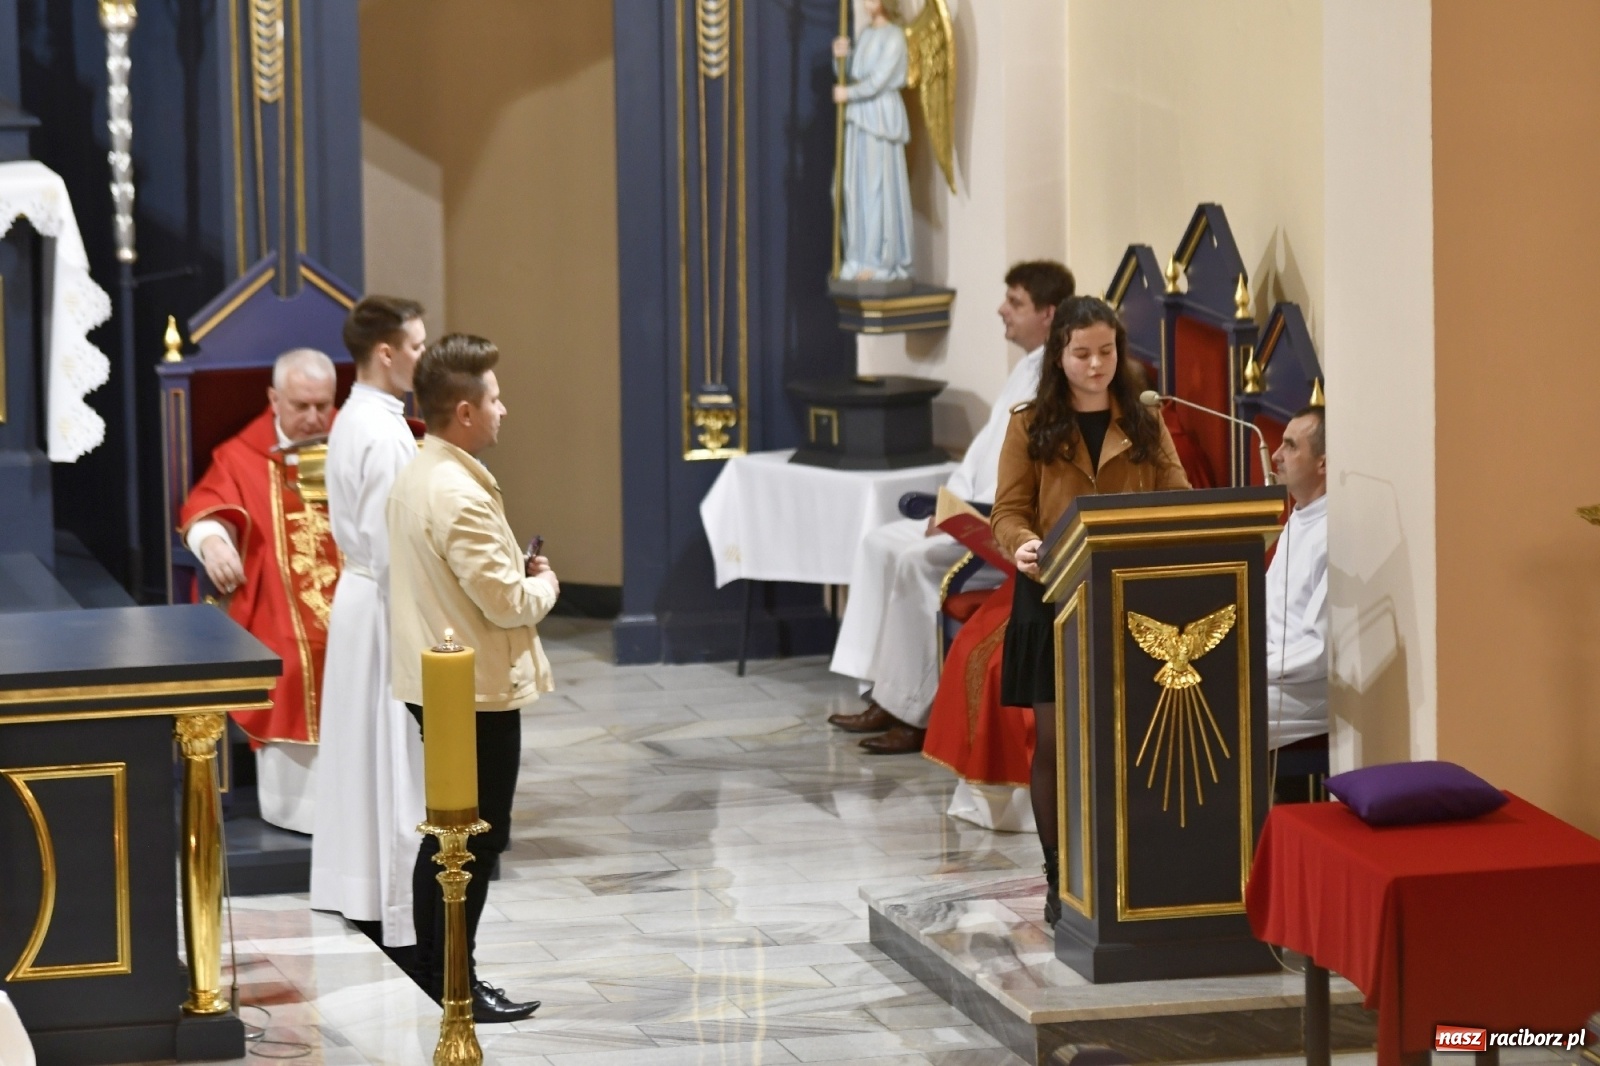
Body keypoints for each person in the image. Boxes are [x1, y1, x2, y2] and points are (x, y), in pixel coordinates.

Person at [991, 296, 1190, 925]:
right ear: (1061, 356)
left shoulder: (1144, 420)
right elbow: (1009, 511)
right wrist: (1023, 544)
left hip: (1129, 595)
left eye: (1107, 352)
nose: (1097, 365)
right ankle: (1058, 875)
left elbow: (1178, 497)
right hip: (1052, 592)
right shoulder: (1030, 424)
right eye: (1082, 353)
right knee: (1055, 740)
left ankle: (1128, 867)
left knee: (1125, 732)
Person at [829, 261, 1075, 754]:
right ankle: (881, 690)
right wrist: (947, 510)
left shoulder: (1052, 379)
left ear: (1048, 314)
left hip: (1000, 527)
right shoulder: (1023, 370)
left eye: (1016, 302)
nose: (1002, 310)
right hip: (971, 513)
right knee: (879, 542)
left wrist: (969, 518)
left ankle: (913, 712)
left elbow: (1021, 476)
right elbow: (984, 451)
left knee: (917, 564)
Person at [388, 333, 558, 1023]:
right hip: (474, 689)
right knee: (472, 843)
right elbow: (505, 602)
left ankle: (437, 972)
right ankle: (453, 979)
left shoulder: (424, 469)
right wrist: (545, 586)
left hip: (442, 678)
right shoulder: (455, 491)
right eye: (493, 397)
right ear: (463, 410)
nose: (502, 409)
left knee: (449, 835)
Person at [180, 348, 340, 833]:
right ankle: (301, 811)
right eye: (301, 406)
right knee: (291, 652)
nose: (315, 418)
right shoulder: (241, 455)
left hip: (354, 595)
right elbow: (206, 506)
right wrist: (214, 543)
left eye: (324, 405)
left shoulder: (354, 446)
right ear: (273, 398)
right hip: (277, 598)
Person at [309, 296, 427, 955]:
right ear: (386, 352)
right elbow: (391, 543)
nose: (422, 356)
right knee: (388, 754)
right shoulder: (383, 433)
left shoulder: (357, 415)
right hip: (381, 598)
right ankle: (391, 896)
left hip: (361, 595)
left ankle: (357, 885)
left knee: (364, 750)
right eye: (416, 345)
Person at [1265, 405, 1328, 765]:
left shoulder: (1333, 530)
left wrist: (1253, 666)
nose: (1276, 455)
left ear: (1323, 463)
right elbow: (1272, 607)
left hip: (1308, 689)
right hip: (1277, 672)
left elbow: (1318, 650)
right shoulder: (1300, 517)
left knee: (1207, 710)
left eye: (1290, 446)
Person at [832, 0, 912, 281]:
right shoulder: (865, 35)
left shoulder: (895, 37)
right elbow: (853, 73)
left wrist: (848, 95)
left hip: (879, 118)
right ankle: (857, 255)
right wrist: (840, 57)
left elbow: (878, 81)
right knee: (852, 188)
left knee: (875, 188)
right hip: (859, 118)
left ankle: (879, 258)